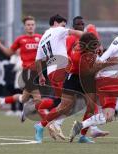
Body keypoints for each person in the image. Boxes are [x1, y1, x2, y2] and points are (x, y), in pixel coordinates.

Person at [35, 14, 86, 143]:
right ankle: (42, 125)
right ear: (56, 23)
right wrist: (91, 38)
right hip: (61, 70)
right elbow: (77, 33)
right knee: (67, 104)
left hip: (52, 73)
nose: (65, 27)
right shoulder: (58, 30)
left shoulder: (42, 38)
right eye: (63, 24)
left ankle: (51, 124)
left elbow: (38, 60)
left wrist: (41, 76)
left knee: (68, 104)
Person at [66, 16, 109, 143]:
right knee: (65, 106)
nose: (81, 25)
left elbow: (92, 30)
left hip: (87, 78)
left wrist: (98, 48)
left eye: (82, 24)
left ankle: (83, 135)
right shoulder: (74, 46)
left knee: (91, 107)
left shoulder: (87, 36)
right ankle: (43, 125)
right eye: (78, 24)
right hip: (75, 76)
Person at [0, 15, 42, 112]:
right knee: (38, 99)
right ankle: (45, 123)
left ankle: (2, 100)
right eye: (28, 25)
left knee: (24, 98)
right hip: (27, 72)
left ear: (35, 26)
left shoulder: (40, 38)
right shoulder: (20, 39)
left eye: (32, 24)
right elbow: (9, 52)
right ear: (25, 26)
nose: (30, 26)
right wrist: (0, 45)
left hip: (38, 72)